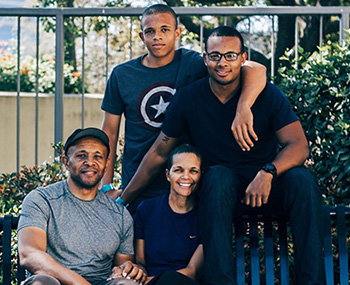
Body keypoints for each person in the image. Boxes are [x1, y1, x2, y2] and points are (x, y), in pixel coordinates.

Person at [118, 27, 325, 284]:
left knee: (302, 181)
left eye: (230, 55)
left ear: (243, 58)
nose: (222, 63)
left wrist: (269, 171)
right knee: (217, 177)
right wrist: (123, 197)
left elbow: (299, 146)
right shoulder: (189, 99)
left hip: (265, 186)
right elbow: (160, 152)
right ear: (205, 58)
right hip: (221, 195)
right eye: (215, 56)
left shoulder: (266, 95)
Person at [100, 4, 267, 212]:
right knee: (138, 243)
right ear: (142, 36)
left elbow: (257, 70)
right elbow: (109, 133)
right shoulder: (122, 75)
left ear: (177, 33)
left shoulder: (195, 64)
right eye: (150, 32)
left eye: (164, 30)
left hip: (186, 182)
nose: (157, 37)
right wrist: (106, 186)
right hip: (137, 182)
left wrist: (244, 106)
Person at [17, 128, 147, 285]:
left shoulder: (119, 215)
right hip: (54, 281)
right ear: (66, 162)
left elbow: (122, 265)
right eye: (81, 155)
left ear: (106, 165)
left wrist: (123, 269)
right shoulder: (42, 200)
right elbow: (29, 253)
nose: (90, 162)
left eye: (98, 157)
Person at [134, 144, 204, 285]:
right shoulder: (146, 209)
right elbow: (141, 262)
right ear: (168, 175)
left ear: (200, 175)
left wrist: (152, 281)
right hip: (149, 281)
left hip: (184, 282)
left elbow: (192, 271)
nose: (186, 177)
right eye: (178, 170)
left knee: (170, 279)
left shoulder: (205, 213)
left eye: (193, 171)